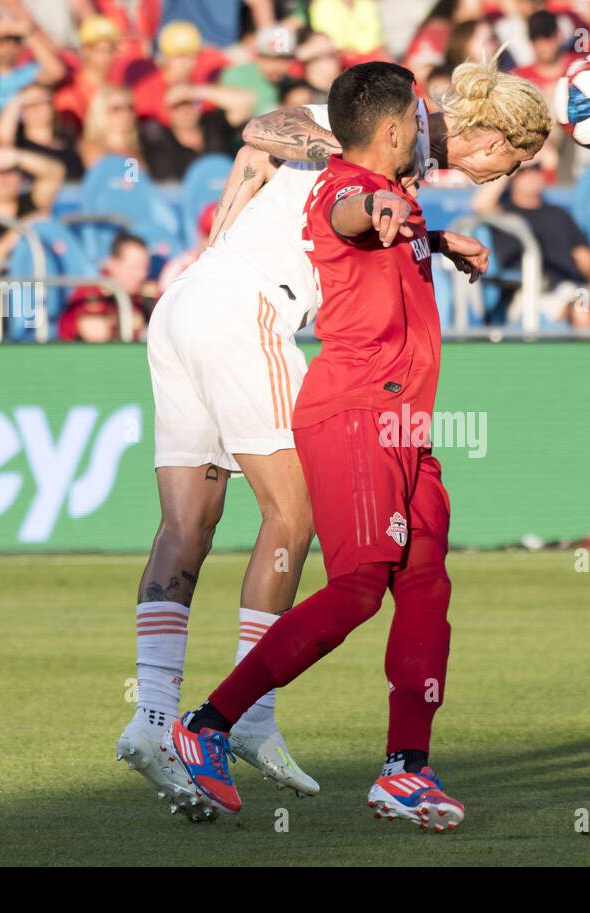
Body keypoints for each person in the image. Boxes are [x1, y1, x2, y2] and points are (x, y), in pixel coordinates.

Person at [115, 57, 550, 818]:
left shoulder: (398, 176)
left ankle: (153, 718)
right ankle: (238, 719)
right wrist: (343, 171)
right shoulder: (380, 126)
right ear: (485, 136)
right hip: (250, 308)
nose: (498, 176)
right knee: (299, 516)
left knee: (189, 523)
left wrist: (429, 236)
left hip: (193, 300)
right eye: (508, 160)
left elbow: (271, 170)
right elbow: (262, 132)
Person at [472, 155, 590, 329]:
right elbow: (480, 204)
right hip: (527, 293)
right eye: (523, 170)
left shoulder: (559, 214)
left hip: (570, 289)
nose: (532, 174)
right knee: (582, 312)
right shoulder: (504, 214)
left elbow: (584, 257)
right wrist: (511, 163)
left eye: (537, 168)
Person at [57, 232, 156, 341]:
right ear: (112, 263)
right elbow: (89, 331)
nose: (141, 274)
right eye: (135, 267)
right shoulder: (92, 292)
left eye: (145, 267)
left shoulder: (147, 296)